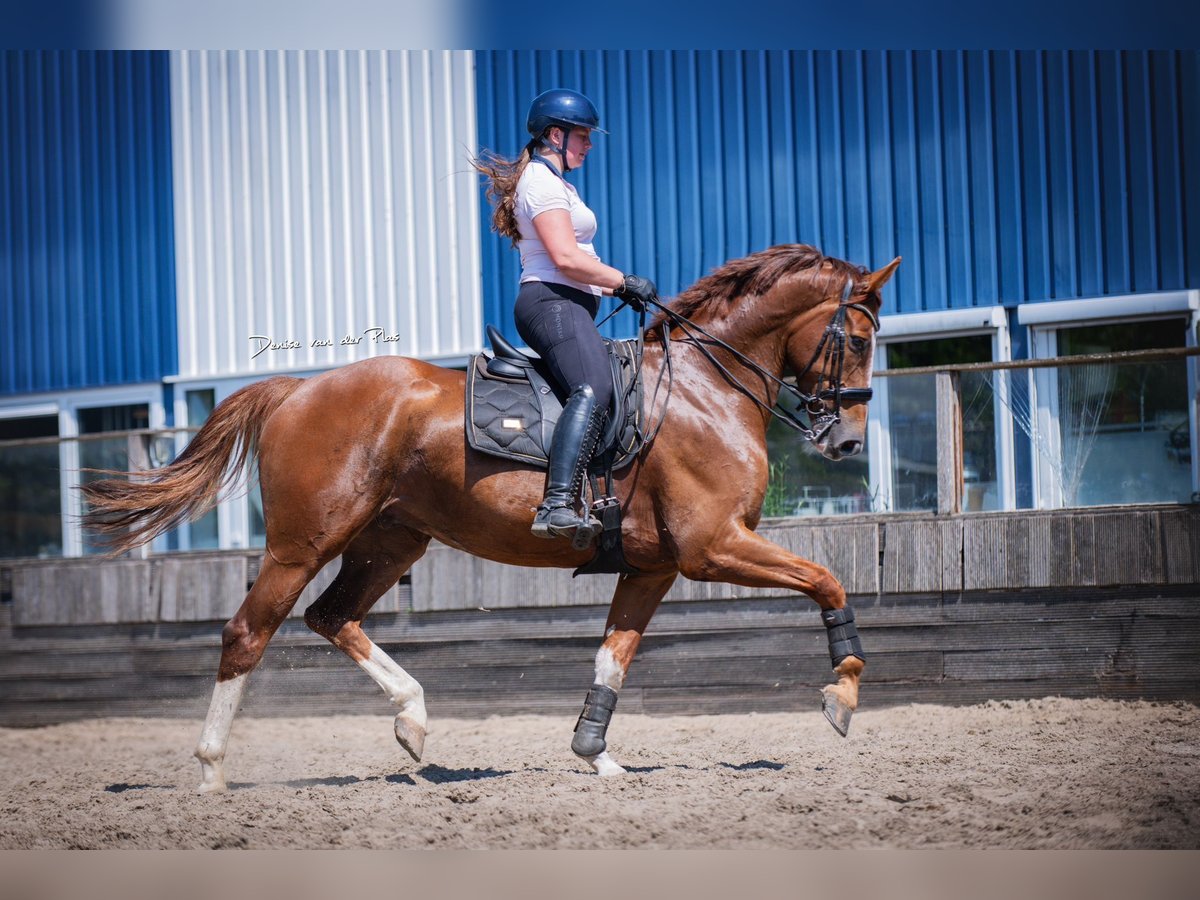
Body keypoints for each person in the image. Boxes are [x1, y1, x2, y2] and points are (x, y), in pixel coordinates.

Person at [473, 88, 658, 542]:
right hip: (551, 302)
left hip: (567, 301)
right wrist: (622, 280)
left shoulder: (559, 184)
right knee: (593, 387)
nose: (589, 145)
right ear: (555, 135)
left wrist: (608, 285)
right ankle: (555, 503)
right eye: (584, 136)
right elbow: (564, 257)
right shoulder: (540, 183)